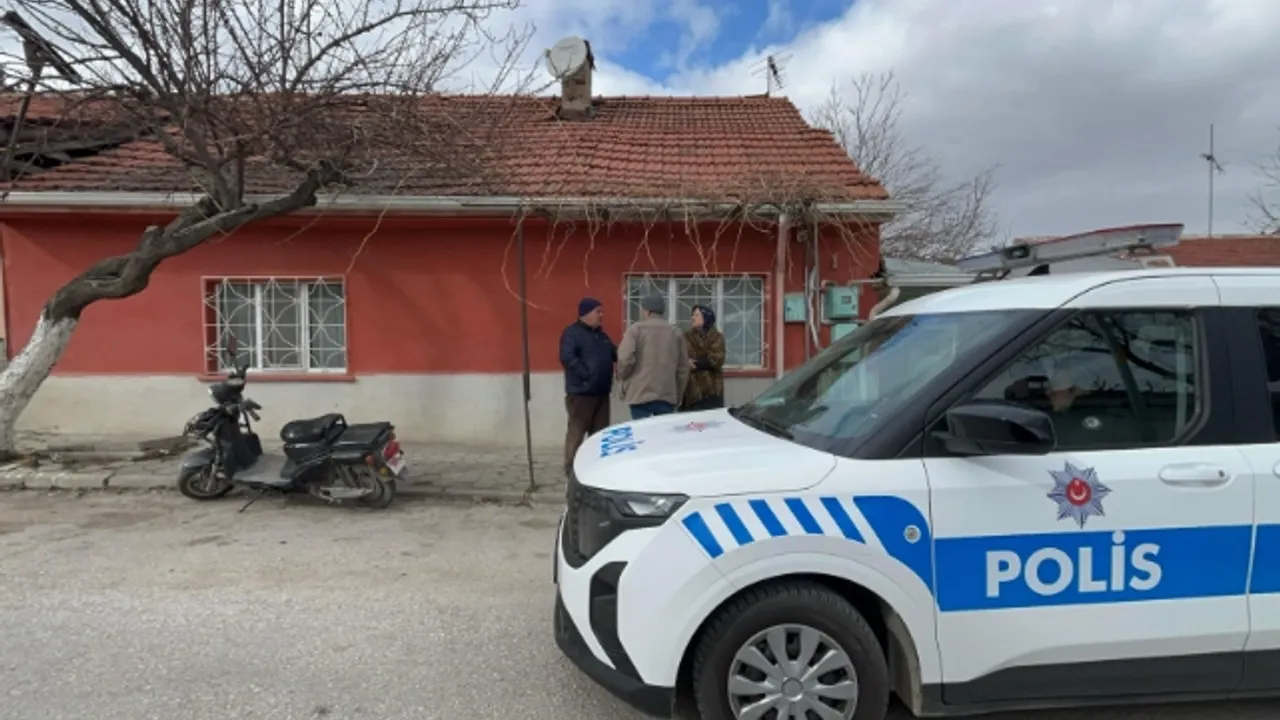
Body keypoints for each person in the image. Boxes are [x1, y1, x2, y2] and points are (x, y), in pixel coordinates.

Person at [559, 297, 616, 475]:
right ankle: (571, 468)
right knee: (576, 432)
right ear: (585, 313)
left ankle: (596, 468)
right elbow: (567, 357)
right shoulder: (572, 333)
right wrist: (586, 375)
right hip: (581, 393)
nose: (601, 315)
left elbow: (615, 354)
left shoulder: (602, 336)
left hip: (602, 392)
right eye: (598, 311)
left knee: (600, 434)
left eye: (602, 311)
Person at [617, 294, 690, 420]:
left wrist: (623, 380)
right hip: (666, 394)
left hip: (639, 394)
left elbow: (625, 359)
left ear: (646, 311)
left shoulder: (635, 330)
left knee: (641, 430)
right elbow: (683, 368)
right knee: (663, 431)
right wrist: (679, 393)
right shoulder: (675, 332)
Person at [682, 304, 726, 411]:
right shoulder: (686, 336)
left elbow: (717, 359)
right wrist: (686, 362)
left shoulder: (717, 337)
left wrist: (695, 363)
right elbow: (680, 356)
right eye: (692, 315)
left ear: (706, 318)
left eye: (696, 315)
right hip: (691, 389)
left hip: (712, 389)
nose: (693, 318)